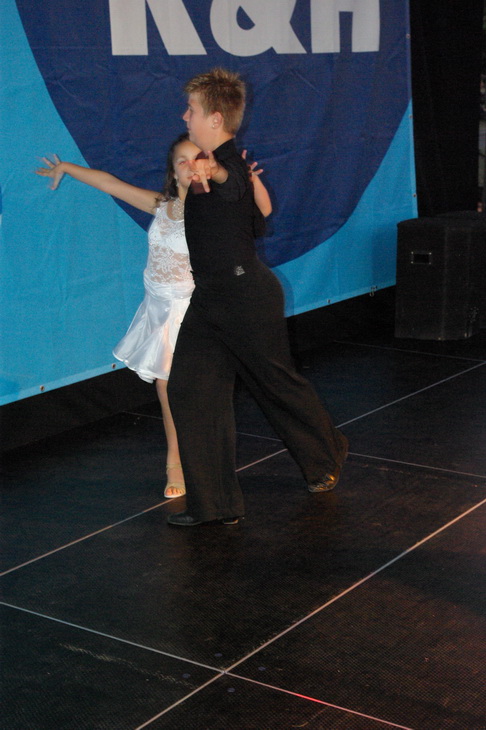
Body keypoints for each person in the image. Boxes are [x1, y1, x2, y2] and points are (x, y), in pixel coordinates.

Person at [35, 133, 271, 499]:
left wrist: (249, 180)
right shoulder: (161, 205)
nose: (190, 166)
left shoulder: (215, 209)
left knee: (178, 387)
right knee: (169, 387)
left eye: (197, 159)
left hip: (191, 309)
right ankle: (178, 460)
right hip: (159, 308)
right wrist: (66, 167)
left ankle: (188, 460)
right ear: (173, 172)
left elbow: (263, 212)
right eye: (182, 161)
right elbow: (110, 184)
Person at [166, 68, 349, 527]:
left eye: (191, 109)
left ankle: (326, 453)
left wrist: (218, 172)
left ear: (215, 118)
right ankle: (215, 505)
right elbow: (251, 219)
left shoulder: (224, 165)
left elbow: (228, 182)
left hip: (245, 296)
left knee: (275, 384)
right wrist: (207, 176)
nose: (185, 116)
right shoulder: (210, 166)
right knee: (191, 391)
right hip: (212, 298)